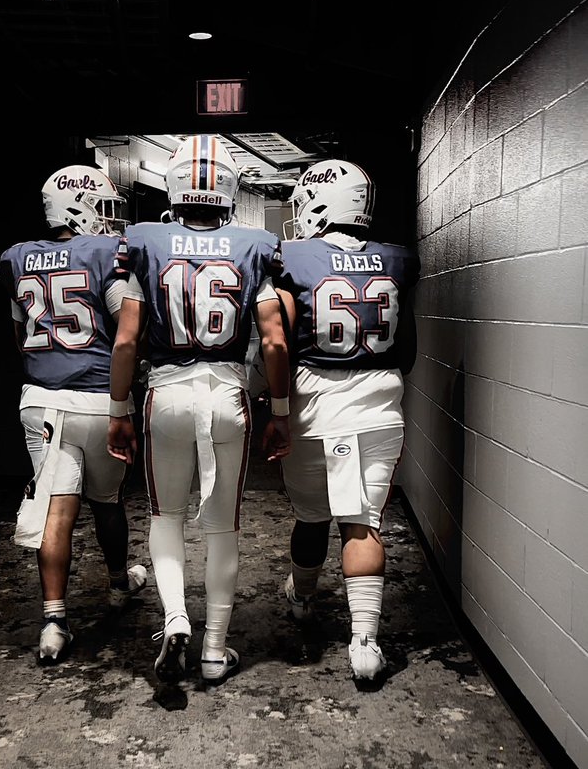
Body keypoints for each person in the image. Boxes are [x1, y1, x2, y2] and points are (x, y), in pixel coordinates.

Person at [108, 134, 291, 685]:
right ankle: (214, 649)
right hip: (227, 395)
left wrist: (119, 408)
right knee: (223, 525)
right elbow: (276, 341)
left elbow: (125, 342)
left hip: (166, 394)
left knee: (165, 515)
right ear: (229, 188)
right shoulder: (254, 245)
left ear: (175, 183)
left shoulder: (145, 241)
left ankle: (175, 617)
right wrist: (280, 411)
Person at [275, 158, 420, 682]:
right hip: (380, 407)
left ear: (316, 204)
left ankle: (303, 602)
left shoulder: (295, 257)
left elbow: (281, 343)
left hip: (314, 406)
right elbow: (407, 346)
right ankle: (364, 644)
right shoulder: (396, 259)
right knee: (363, 522)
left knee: (311, 517)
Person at [0, 165, 148, 662]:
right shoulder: (105, 253)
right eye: (101, 208)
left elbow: (21, 336)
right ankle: (116, 585)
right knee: (107, 501)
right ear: (79, 208)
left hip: (43, 399)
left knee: (56, 511)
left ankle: (54, 622)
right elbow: (127, 327)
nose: (107, 222)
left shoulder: (18, 259)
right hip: (99, 399)